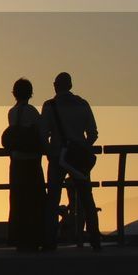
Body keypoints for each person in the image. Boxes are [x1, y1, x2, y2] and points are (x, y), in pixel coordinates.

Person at [40, 72, 100, 251]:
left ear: (55, 86)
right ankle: (94, 239)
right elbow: (93, 133)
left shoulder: (50, 106)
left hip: (58, 156)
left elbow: (43, 134)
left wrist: (50, 152)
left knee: (53, 199)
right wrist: (82, 147)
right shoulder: (82, 104)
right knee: (86, 197)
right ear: (71, 86)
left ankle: (50, 241)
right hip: (79, 158)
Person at [3, 77, 45, 252]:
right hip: (32, 161)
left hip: (16, 161)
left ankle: (18, 236)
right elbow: (41, 133)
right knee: (35, 199)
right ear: (30, 93)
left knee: (18, 199)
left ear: (14, 94)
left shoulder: (11, 112)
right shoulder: (33, 112)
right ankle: (35, 236)